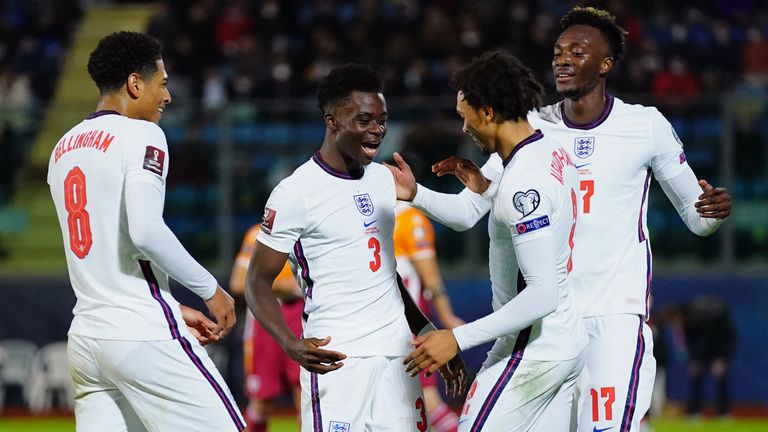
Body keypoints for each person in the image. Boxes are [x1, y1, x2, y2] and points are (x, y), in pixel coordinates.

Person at [390, 7, 733, 432]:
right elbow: (471, 209)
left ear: (605, 64)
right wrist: (420, 192)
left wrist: (713, 211)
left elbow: (698, 220)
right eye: (557, 51)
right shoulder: (534, 128)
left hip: (613, 313)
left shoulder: (645, 127)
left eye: (577, 51)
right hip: (551, 323)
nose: (563, 58)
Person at [245, 63, 466, 432]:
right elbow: (256, 282)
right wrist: (289, 342)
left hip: (398, 355)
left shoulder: (383, 180)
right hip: (338, 360)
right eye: (364, 120)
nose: (378, 130)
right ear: (332, 120)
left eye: (382, 119)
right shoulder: (295, 192)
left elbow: (385, 274)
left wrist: (425, 330)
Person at [46, 31, 244, 431]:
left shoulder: (62, 148)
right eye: (163, 82)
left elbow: (105, 247)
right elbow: (146, 232)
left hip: (87, 340)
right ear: (135, 84)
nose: (167, 96)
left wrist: (172, 305)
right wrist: (211, 289)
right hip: (141, 334)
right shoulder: (142, 133)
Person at [397, 50, 588, 431]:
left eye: (465, 117)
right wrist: (414, 191)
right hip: (561, 341)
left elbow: (542, 293)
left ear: (487, 112)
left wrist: (457, 338)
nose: (464, 128)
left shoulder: (523, 184)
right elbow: (467, 212)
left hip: (533, 348)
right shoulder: (531, 150)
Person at [394, 202, 463, 432]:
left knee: (426, 398)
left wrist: (446, 316)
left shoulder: (409, 220)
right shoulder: (374, 213)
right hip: (387, 323)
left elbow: (430, 277)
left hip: (408, 324)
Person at [230, 224, 304, 432]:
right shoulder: (259, 234)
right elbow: (237, 282)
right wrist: (286, 287)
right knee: (263, 399)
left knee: (304, 394)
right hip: (266, 317)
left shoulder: (312, 231)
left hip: (302, 315)